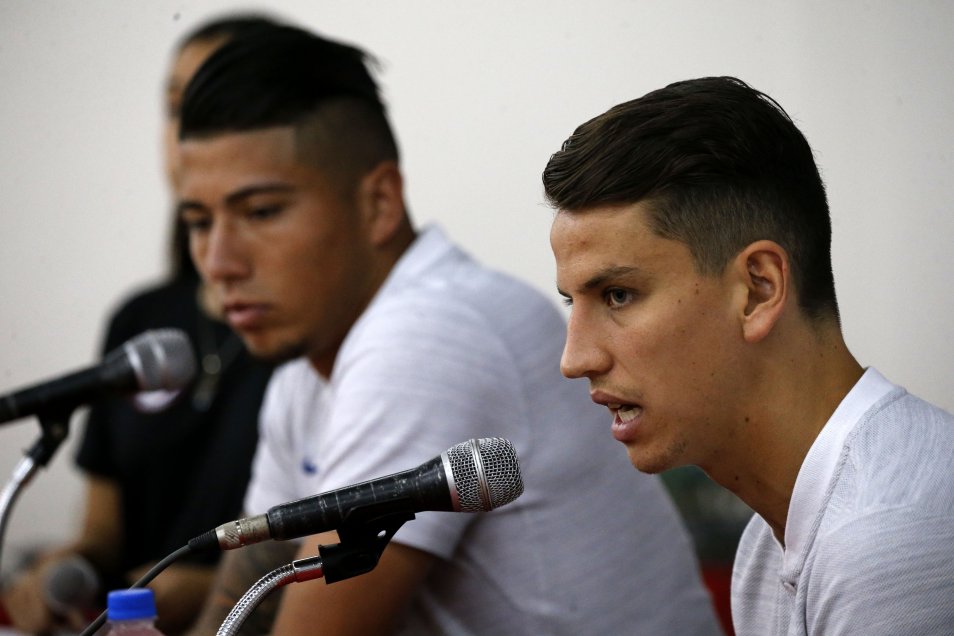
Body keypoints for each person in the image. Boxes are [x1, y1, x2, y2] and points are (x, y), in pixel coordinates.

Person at [176, 25, 722, 635]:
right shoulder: (303, 380)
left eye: (261, 213)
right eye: (199, 222)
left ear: (379, 203)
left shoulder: (431, 337)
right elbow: (243, 606)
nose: (221, 262)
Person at [543, 75, 954, 635]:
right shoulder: (768, 545)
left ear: (759, 289)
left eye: (618, 295)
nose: (575, 358)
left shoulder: (885, 541)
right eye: (573, 301)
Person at [0, 16, 278, 635]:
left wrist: (214, 590)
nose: (187, 131)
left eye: (217, 102)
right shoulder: (142, 321)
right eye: (177, 106)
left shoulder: (305, 330)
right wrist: (61, 570)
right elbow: (101, 534)